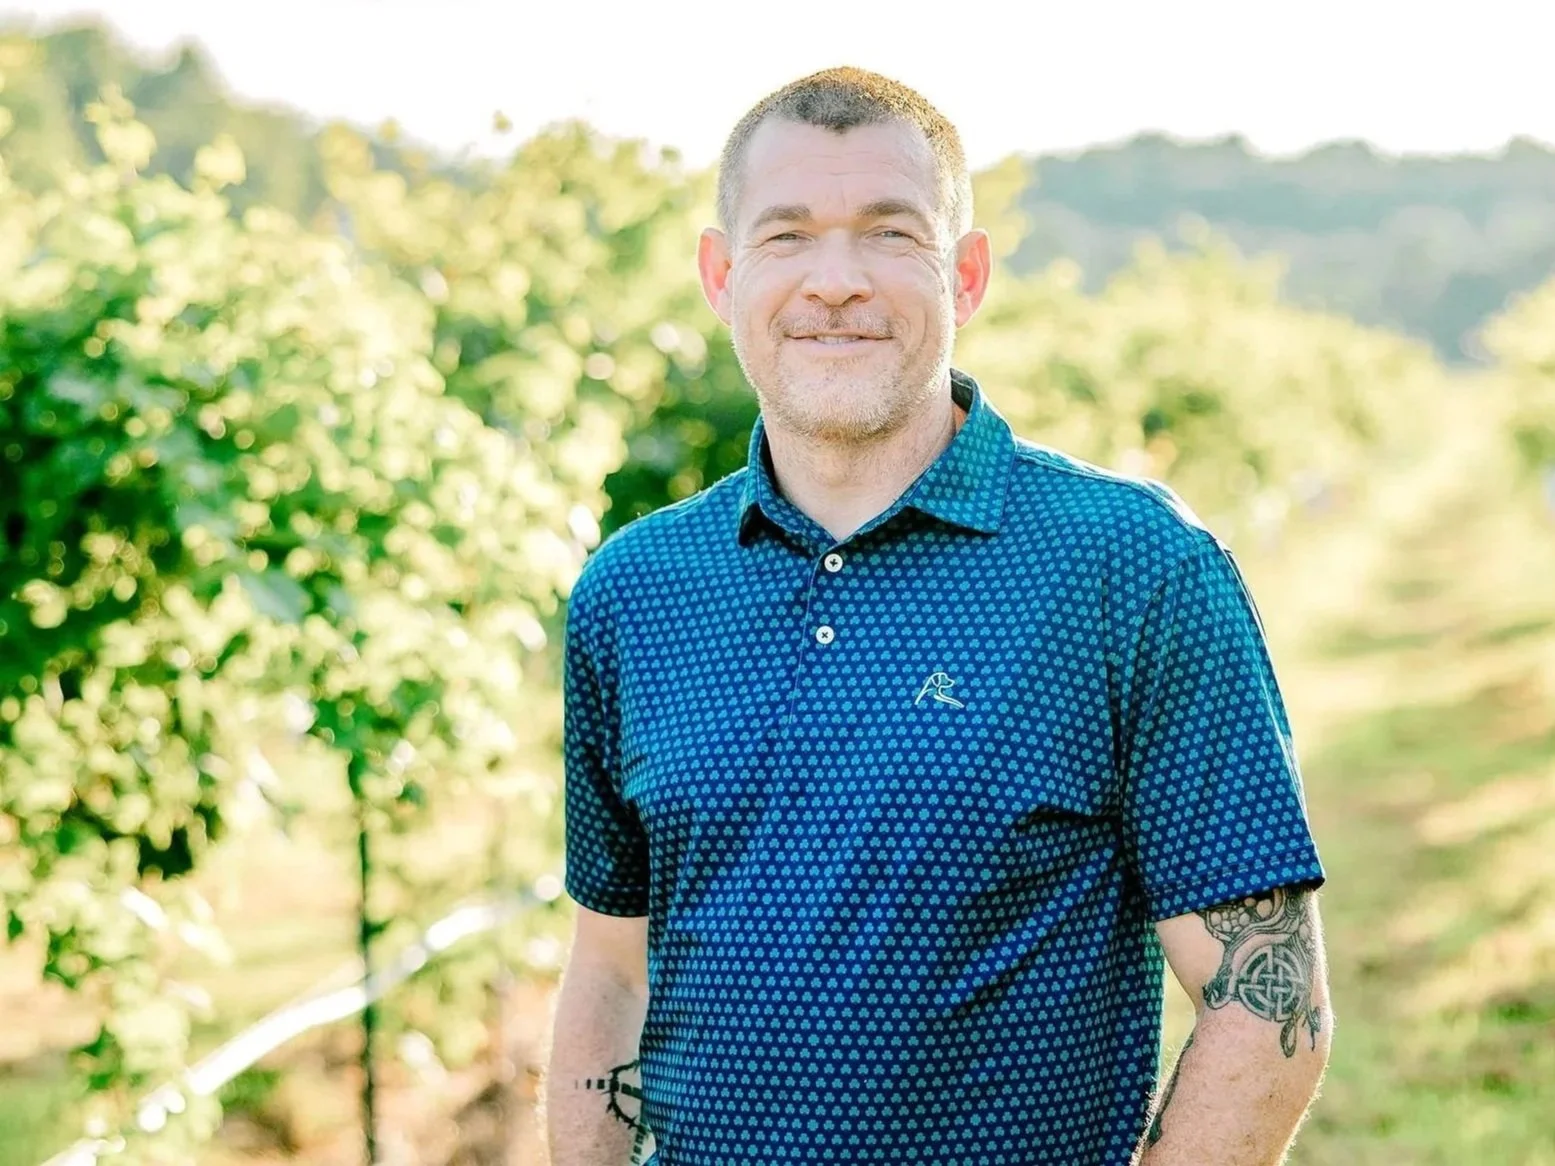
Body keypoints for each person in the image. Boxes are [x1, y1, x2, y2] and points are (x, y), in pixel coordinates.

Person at [544, 66, 1331, 1166]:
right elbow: (610, 970)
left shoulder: (1131, 566)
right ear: (721, 275)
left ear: (964, 273)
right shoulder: (635, 590)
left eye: (888, 233)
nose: (834, 281)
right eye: (787, 236)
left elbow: (1267, 1004)